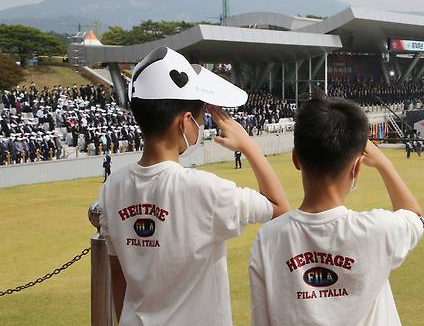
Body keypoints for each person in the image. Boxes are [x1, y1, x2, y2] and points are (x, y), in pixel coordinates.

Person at [98, 47, 290, 326]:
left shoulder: (111, 188)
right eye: (201, 119)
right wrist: (249, 145)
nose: (201, 126)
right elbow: (279, 208)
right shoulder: (204, 189)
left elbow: (117, 272)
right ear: (185, 121)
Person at [249, 92, 424, 326]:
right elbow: (416, 217)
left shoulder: (268, 238)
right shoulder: (378, 229)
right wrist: (384, 163)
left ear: (295, 159)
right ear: (358, 166)